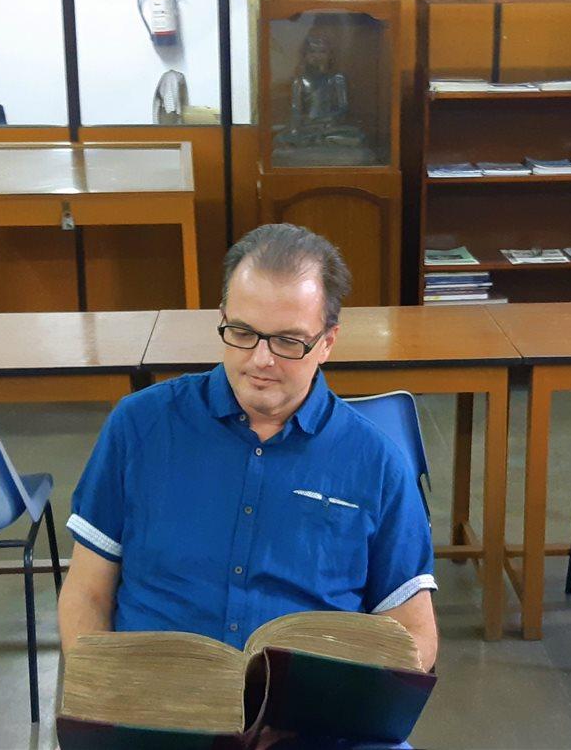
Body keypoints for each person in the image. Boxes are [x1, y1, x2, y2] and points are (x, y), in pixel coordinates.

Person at [57, 223, 440, 674]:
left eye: (288, 341)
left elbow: (413, 633)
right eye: (242, 332)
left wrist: (358, 703)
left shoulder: (377, 462)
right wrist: (103, 694)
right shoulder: (140, 426)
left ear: (328, 343)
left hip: (310, 718)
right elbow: (87, 592)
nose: (261, 360)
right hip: (157, 701)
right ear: (222, 317)